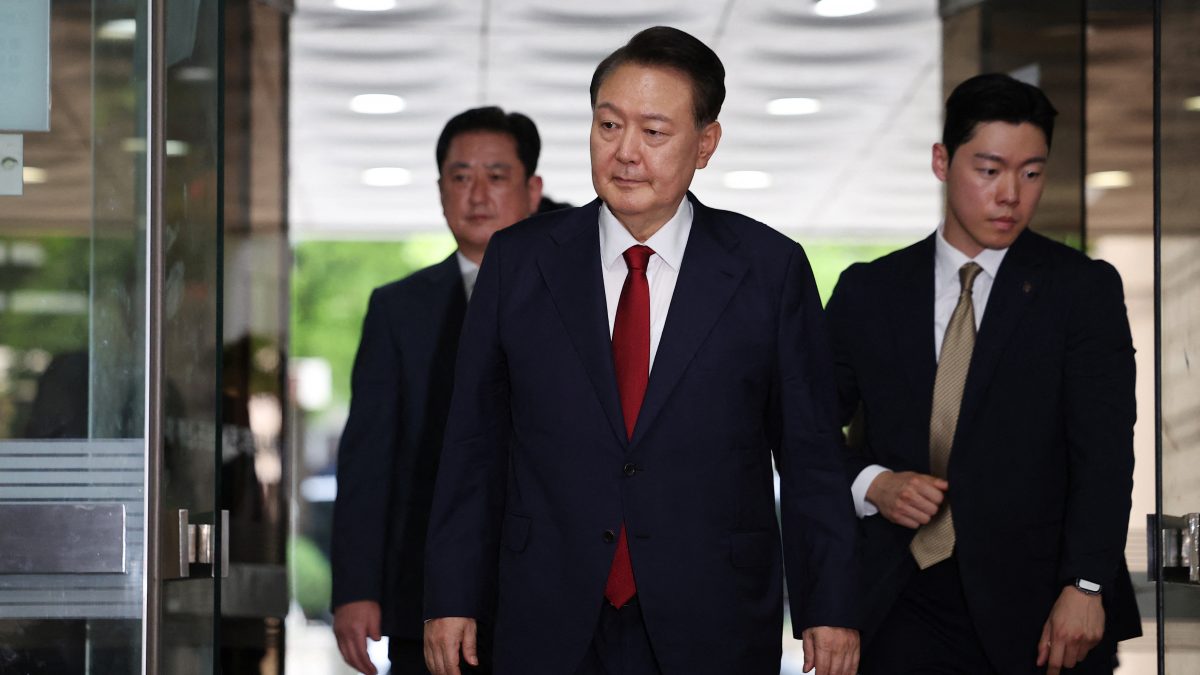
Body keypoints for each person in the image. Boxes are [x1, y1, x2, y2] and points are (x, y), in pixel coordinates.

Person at [422, 26, 859, 675]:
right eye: (608, 126)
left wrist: (830, 605)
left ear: (705, 143)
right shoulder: (520, 261)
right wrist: (451, 596)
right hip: (547, 608)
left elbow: (811, 455)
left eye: (653, 132)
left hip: (714, 613)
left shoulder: (769, 269)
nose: (625, 152)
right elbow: (472, 445)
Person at [825, 73, 1142, 674]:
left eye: (1032, 173)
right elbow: (805, 429)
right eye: (990, 170)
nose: (1010, 195)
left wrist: (1087, 584)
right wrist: (873, 483)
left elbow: (1104, 453)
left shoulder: (1081, 290)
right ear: (942, 162)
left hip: (1043, 609)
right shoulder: (869, 291)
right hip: (898, 599)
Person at [331, 106, 544, 675]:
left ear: (532, 190)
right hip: (424, 591)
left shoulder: (579, 299)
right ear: (440, 191)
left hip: (550, 591)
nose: (477, 194)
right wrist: (356, 587)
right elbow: (368, 459)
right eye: (460, 176)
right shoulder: (398, 309)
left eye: (496, 176)